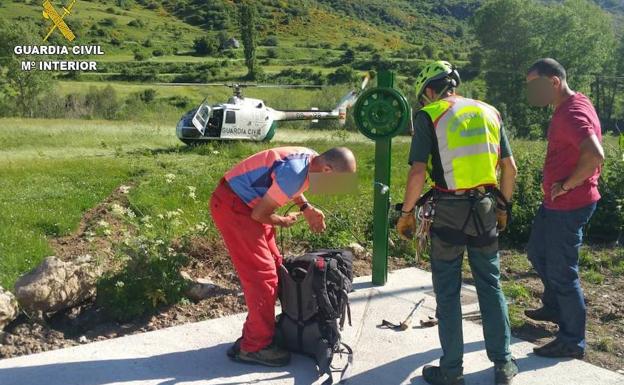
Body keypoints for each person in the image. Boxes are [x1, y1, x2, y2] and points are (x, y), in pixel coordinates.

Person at [396, 61, 518, 385]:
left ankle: (451, 370)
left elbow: (417, 172)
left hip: (449, 210)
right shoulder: (490, 112)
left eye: (424, 97)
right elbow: (510, 168)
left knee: (448, 292)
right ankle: (504, 364)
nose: (425, 102)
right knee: (490, 286)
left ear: (430, 90)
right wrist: (503, 207)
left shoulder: (431, 114)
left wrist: (406, 214)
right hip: (486, 207)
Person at [210, 146, 357, 367]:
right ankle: (253, 347)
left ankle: (266, 329)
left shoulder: (310, 158)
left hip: (247, 202)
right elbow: (260, 214)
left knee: (277, 266)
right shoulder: (296, 173)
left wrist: (306, 208)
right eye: (336, 182)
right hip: (235, 207)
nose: (333, 190)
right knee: (264, 278)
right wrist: (282, 221)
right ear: (327, 170)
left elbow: (288, 184)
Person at [525, 58, 604, 358]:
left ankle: (572, 341)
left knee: (563, 272)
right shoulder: (573, 103)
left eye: (535, 86)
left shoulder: (571, 113)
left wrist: (568, 184)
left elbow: (595, 155)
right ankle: (554, 306)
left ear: (554, 82)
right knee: (536, 251)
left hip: (569, 205)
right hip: (556, 203)